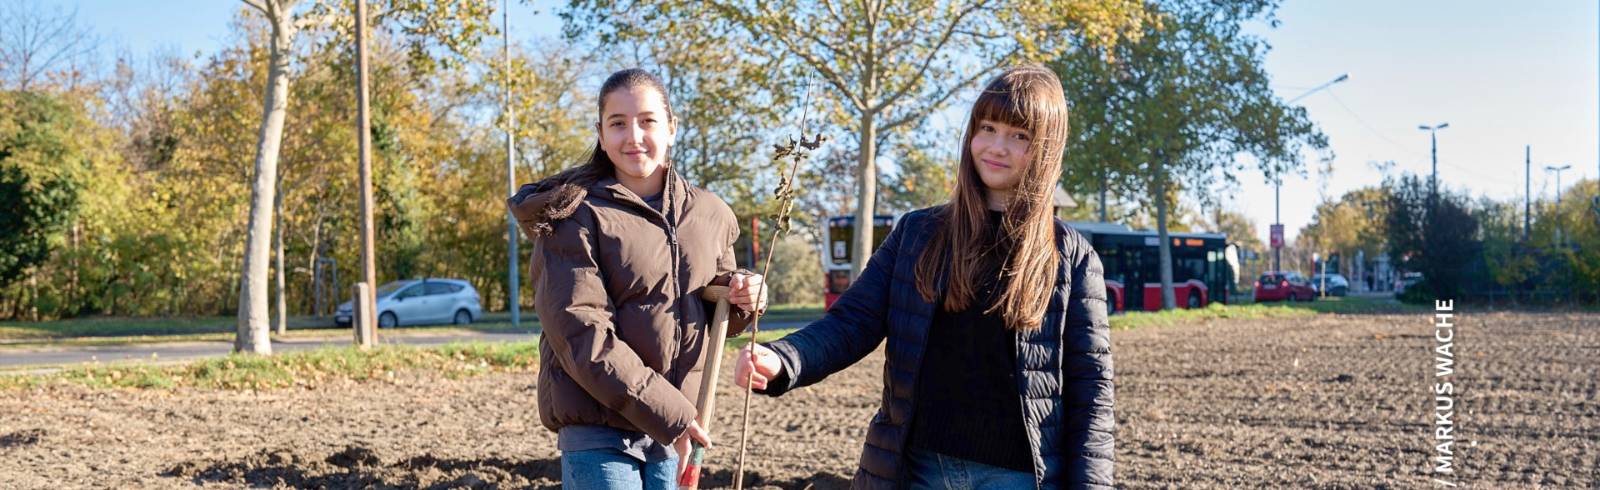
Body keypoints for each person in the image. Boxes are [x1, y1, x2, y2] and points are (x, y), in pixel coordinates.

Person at [733, 65, 1114, 489]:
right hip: (918, 471)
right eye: (987, 127)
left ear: (1045, 148)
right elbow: (852, 321)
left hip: (1019, 478)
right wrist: (785, 358)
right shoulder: (918, 234)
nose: (997, 147)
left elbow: (1092, 397)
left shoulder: (1073, 257)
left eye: (1019, 135)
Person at [507, 68, 768, 490]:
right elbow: (581, 332)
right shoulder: (573, 216)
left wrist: (745, 296)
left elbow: (712, 308)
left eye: (647, 121)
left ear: (671, 128)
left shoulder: (711, 214)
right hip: (600, 431)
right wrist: (673, 416)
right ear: (600, 132)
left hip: (675, 435)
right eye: (618, 123)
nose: (634, 136)